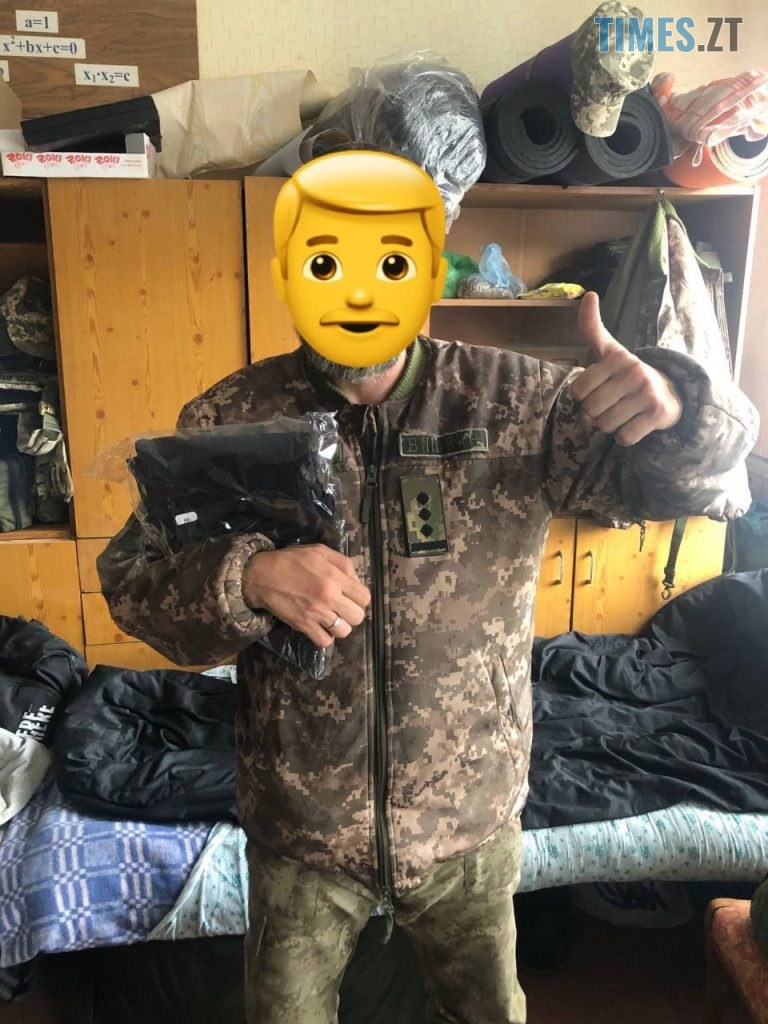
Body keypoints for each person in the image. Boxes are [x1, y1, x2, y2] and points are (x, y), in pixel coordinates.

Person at [98, 151, 758, 1024]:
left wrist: (680, 410)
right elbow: (135, 584)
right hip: (300, 828)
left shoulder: (520, 403)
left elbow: (699, 487)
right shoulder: (230, 417)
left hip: (468, 820)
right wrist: (247, 576)